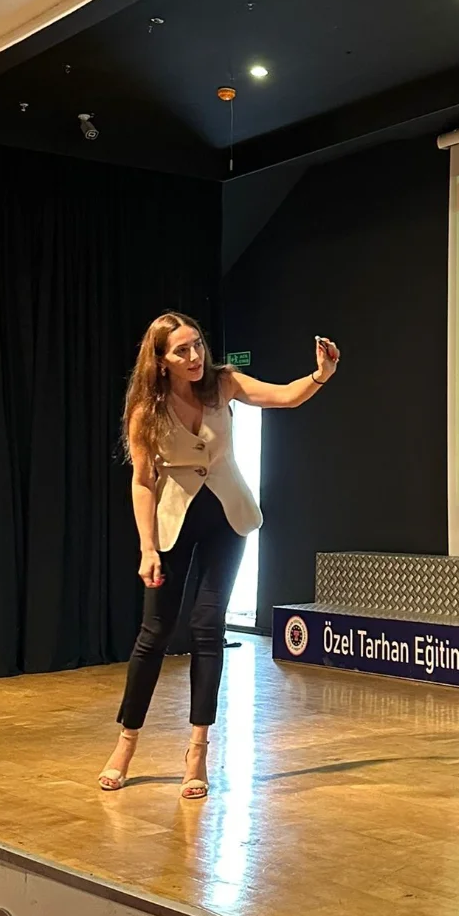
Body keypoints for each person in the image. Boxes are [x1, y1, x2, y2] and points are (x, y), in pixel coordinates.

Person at [97, 312, 338, 799]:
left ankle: (197, 750)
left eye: (198, 345)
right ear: (160, 361)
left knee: (208, 627)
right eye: (181, 351)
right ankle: (126, 742)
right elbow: (143, 481)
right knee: (154, 633)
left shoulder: (222, 383)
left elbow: (283, 396)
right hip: (174, 522)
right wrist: (147, 547)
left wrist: (320, 375)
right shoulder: (147, 410)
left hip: (228, 518)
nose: (194, 357)